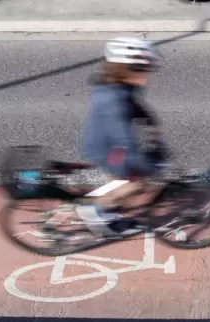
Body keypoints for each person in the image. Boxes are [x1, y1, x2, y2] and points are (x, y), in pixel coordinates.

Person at [74, 36, 168, 238]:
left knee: (122, 181)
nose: (148, 75)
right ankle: (93, 210)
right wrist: (148, 167)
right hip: (107, 150)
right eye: (143, 70)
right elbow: (125, 143)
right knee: (137, 181)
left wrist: (149, 120)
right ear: (125, 69)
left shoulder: (117, 86)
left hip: (107, 143)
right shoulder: (113, 100)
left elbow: (133, 104)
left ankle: (105, 207)